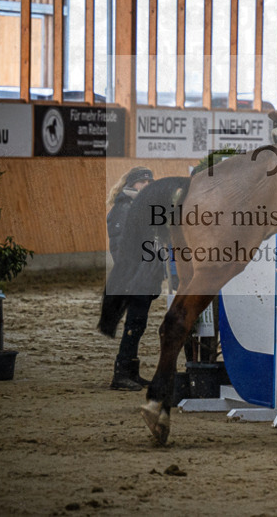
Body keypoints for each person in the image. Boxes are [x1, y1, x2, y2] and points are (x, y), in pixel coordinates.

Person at [105, 166, 162, 391]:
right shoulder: (124, 208)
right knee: (134, 324)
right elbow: (120, 246)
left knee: (138, 324)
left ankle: (130, 371)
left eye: (150, 182)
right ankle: (120, 374)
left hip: (144, 276)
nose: (147, 185)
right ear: (133, 183)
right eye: (143, 182)